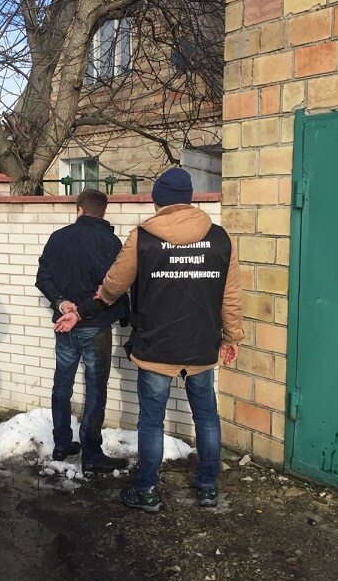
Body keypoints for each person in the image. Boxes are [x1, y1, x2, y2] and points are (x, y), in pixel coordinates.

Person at [96, 168, 243, 511]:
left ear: (157, 200)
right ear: (188, 198)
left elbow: (115, 282)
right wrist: (232, 336)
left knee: (151, 421)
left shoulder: (143, 237)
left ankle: (147, 491)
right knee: (206, 417)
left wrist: (103, 294)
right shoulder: (220, 238)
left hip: (155, 347)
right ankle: (207, 487)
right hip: (201, 344)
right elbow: (231, 296)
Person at [36, 189, 130, 473]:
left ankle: (62, 444)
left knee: (62, 386)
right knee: (95, 390)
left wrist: (61, 303)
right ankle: (91, 454)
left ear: (79, 209)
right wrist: (80, 312)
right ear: (103, 211)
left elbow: (43, 277)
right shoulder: (111, 243)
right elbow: (111, 290)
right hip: (95, 326)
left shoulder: (58, 237)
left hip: (64, 326)